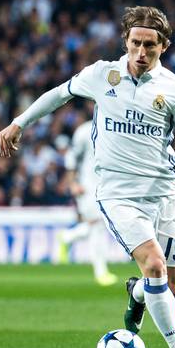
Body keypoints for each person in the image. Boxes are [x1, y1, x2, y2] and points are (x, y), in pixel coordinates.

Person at [0, 6, 175, 348]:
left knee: (168, 286)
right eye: (135, 43)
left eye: (150, 46)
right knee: (154, 265)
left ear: (164, 46)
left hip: (163, 195)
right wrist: (18, 123)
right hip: (116, 193)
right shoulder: (101, 74)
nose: (141, 52)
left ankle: (138, 293)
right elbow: (59, 95)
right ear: (125, 41)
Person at [56, 118, 118, 286]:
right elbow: (71, 156)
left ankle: (67, 237)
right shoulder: (85, 131)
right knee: (97, 225)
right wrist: (73, 183)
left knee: (102, 224)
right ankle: (101, 272)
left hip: (110, 186)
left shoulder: (119, 125)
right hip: (88, 187)